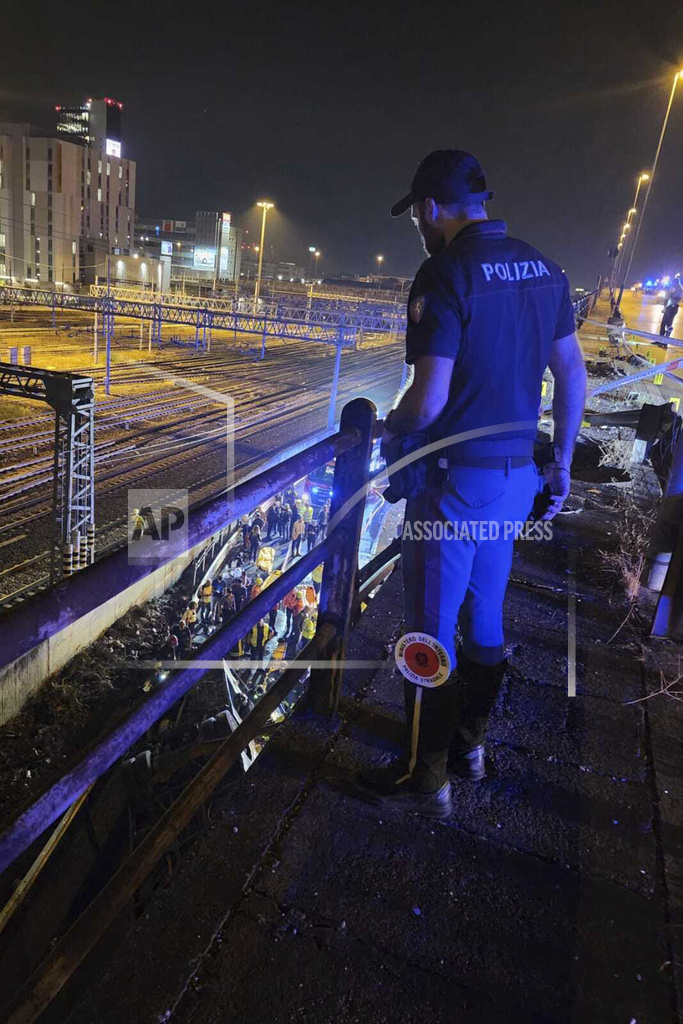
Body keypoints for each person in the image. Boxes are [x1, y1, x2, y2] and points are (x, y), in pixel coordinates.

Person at [359, 149, 586, 818]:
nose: (419, 228)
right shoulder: (546, 271)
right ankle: (470, 748)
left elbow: (426, 402)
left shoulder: (446, 271)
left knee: (426, 629)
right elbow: (571, 375)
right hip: (517, 482)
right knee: (484, 617)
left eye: (418, 216)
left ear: (431, 208)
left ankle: (423, 777)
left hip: (455, 486)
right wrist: (563, 462)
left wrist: (389, 430)